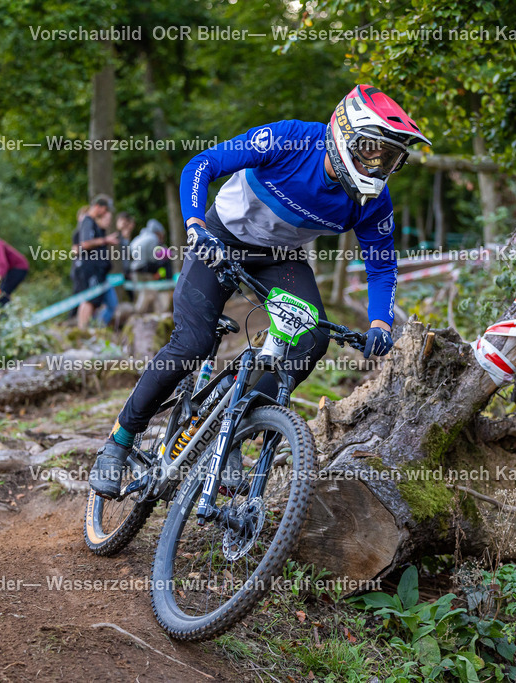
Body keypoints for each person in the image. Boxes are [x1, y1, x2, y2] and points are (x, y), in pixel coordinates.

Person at [89, 84, 430, 498]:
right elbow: (201, 165)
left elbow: (381, 264)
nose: (377, 166)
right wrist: (195, 225)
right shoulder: (290, 139)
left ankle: (228, 431)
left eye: (390, 158)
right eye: (371, 150)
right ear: (343, 134)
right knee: (193, 341)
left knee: (312, 339)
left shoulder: (373, 201)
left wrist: (379, 321)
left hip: (280, 259)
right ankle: (119, 442)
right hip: (221, 237)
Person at [72, 195, 118, 330]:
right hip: (88, 268)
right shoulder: (87, 221)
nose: (105, 213)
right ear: (98, 207)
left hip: (97, 269)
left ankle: (92, 329)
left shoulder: (92, 223)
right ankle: (83, 330)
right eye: (105, 210)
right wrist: (105, 240)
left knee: (97, 302)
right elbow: (85, 244)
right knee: (89, 300)